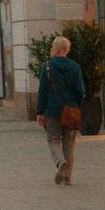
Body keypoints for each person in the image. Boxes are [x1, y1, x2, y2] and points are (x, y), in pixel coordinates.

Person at [37, 34, 86, 185]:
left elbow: (43, 91)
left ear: (56, 49)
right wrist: (76, 106)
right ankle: (68, 177)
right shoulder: (75, 67)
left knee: (53, 140)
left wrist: (40, 112)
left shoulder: (46, 67)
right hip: (71, 110)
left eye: (52, 47)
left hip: (52, 111)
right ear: (66, 50)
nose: (51, 49)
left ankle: (60, 162)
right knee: (69, 144)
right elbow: (80, 90)